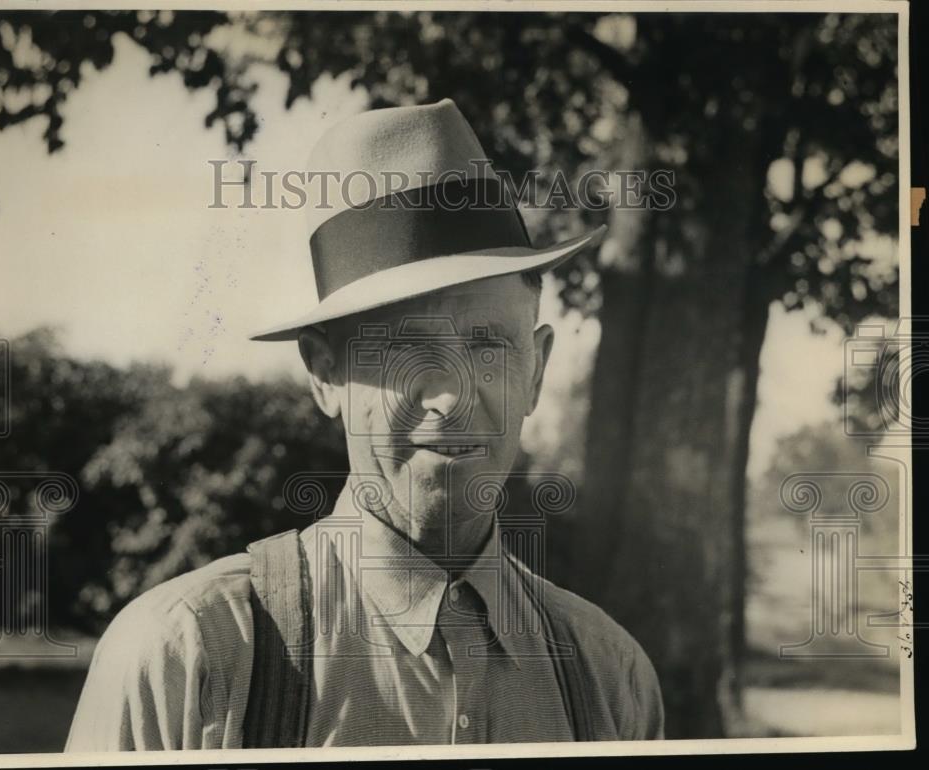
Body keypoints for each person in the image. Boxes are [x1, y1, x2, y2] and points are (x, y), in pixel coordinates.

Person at [65, 98, 664, 751]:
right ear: (325, 374)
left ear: (537, 370)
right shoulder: (190, 654)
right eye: (405, 347)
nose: (451, 395)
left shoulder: (611, 677)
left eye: (488, 343)